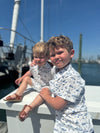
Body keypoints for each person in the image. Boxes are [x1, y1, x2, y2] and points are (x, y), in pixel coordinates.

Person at [18, 35, 94, 133]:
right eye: (53, 55)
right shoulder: (57, 69)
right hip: (63, 123)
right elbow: (45, 63)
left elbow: (58, 105)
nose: (56, 57)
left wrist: (45, 95)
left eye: (60, 53)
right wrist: (35, 61)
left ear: (71, 53)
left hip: (75, 127)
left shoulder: (71, 77)